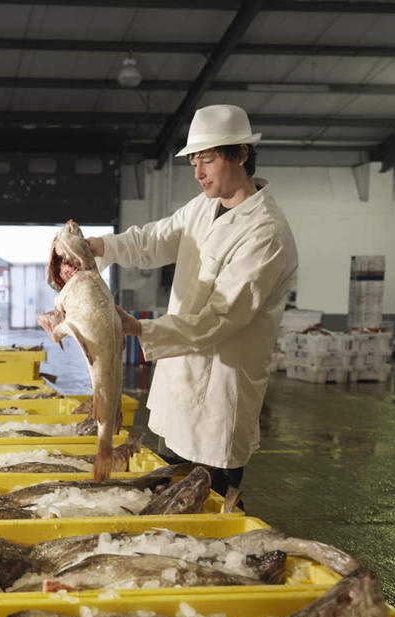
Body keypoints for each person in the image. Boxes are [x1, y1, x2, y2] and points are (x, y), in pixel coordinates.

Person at [87, 104, 298, 496]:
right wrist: (99, 245)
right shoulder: (203, 207)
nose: (198, 172)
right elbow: (154, 239)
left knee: (205, 516)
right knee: (166, 503)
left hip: (219, 399)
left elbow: (221, 317)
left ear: (241, 154)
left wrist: (139, 328)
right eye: (194, 161)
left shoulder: (266, 232)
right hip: (177, 393)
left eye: (208, 159)